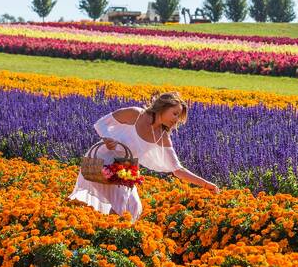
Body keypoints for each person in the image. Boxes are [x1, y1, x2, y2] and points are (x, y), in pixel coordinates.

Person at [68, 92, 220, 222]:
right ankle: (107, 238)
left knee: (133, 208)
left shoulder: (162, 136)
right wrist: (108, 139)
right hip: (101, 162)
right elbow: (102, 123)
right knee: (121, 206)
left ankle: (108, 237)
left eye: (179, 117)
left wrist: (206, 184)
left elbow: (177, 169)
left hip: (123, 170)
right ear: (163, 107)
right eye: (174, 114)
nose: (176, 119)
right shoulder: (135, 114)